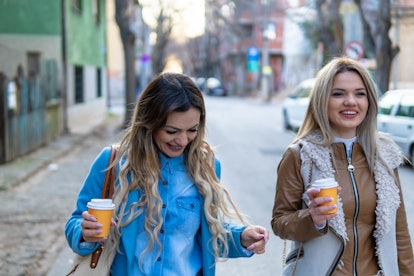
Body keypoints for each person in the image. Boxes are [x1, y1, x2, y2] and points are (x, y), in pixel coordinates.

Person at [65, 72, 269, 275]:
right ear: (149, 123)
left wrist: (242, 237)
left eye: (192, 130)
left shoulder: (207, 167)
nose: (182, 140)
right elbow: (76, 223)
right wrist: (84, 233)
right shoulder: (113, 162)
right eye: (172, 131)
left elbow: (210, 234)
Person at [271, 57, 414, 275]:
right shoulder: (300, 155)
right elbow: (280, 222)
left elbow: (399, 232)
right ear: (322, 99)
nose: (351, 101)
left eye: (360, 93)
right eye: (338, 94)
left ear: (369, 101)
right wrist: (313, 219)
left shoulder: (385, 155)